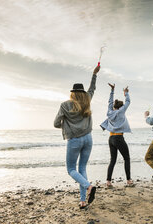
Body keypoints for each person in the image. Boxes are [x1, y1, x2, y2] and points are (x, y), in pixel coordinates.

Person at [54, 65, 100, 209]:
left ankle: (88, 186)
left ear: (72, 93)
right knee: (82, 168)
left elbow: (56, 123)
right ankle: (82, 201)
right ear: (82, 92)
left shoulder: (65, 105)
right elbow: (92, 89)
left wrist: (69, 126)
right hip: (88, 139)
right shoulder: (87, 100)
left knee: (71, 169)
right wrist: (94, 74)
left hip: (74, 140)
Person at [100, 84, 134, 188]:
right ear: (120, 107)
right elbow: (128, 102)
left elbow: (109, 102)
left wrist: (112, 90)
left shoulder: (110, 112)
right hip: (119, 138)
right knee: (127, 158)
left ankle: (108, 181)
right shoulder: (121, 111)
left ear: (114, 106)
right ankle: (128, 180)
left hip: (111, 139)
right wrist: (126, 93)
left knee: (113, 160)